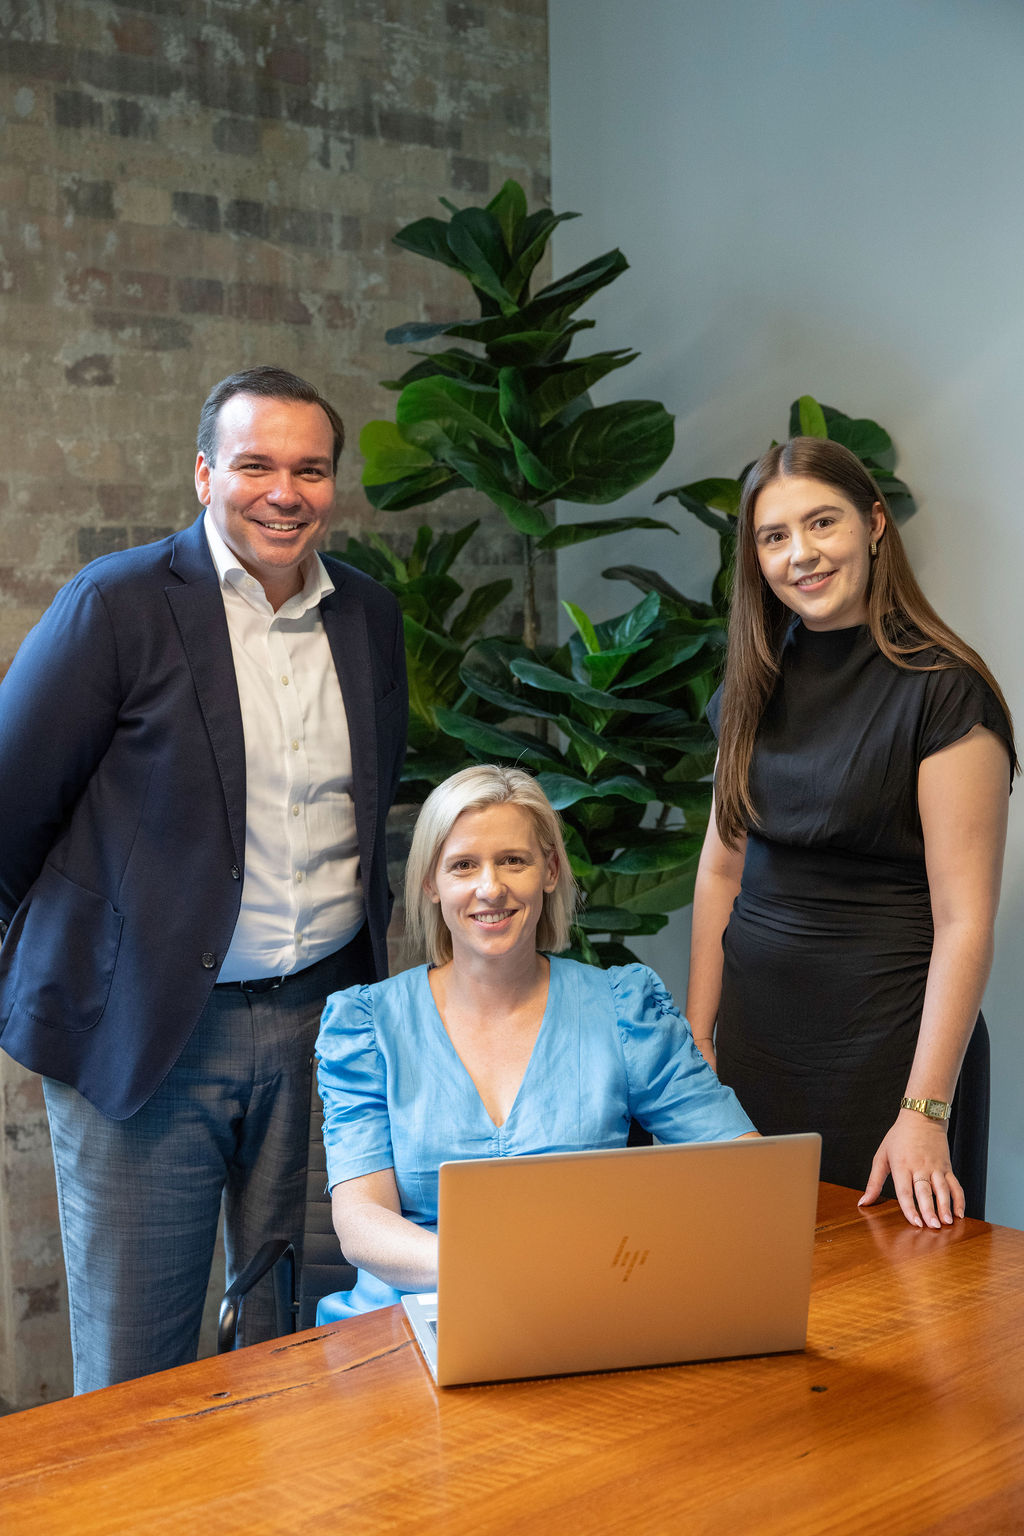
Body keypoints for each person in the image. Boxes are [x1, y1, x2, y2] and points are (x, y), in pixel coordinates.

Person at [0, 365, 408, 1391]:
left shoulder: (368, 616)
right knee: (137, 1370)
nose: (284, 493)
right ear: (202, 474)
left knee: (310, 1350)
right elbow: (10, 807)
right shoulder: (118, 605)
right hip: (148, 1036)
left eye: (310, 470)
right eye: (255, 465)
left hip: (325, 1026)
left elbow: (372, 810)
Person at [684, 436, 1014, 1233]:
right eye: (774, 535)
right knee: (750, 1276)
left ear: (874, 525)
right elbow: (721, 873)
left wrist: (924, 1110)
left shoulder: (946, 692)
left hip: (890, 1057)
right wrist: (697, 1042)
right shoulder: (751, 683)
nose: (801, 553)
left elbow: (964, 921)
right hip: (757, 1050)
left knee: (893, 1288)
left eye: (822, 522)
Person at [315, 764, 755, 1319]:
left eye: (513, 861)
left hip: (581, 1311)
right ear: (430, 883)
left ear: (549, 870)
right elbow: (361, 1224)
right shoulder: (367, 1026)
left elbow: (743, 1167)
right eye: (463, 865)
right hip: (405, 1320)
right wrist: (498, 1266)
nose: (490, 887)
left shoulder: (624, 1010)